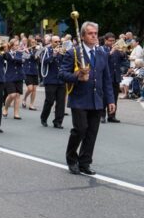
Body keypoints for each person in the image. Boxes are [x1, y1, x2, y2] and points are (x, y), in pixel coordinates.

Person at [59, 21, 115, 175]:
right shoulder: (74, 53)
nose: (94, 36)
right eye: (90, 33)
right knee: (80, 129)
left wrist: (110, 100)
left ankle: (85, 162)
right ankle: (71, 159)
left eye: (96, 33)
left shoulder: (102, 53)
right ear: (82, 36)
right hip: (79, 99)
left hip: (97, 99)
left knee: (92, 132)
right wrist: (77, 76)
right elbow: (62, 74)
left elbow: (106, 79)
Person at [40, 36, 66, 129]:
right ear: (51, 42)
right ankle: (43, 118)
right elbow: (43, 62)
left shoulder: (62, 50)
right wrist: (53, 55)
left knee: (61, 102)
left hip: (61, 80)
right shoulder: (46, 50)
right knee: (49, 101)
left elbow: (66, 63)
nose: (58, 43)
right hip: (50, 79)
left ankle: (58, 121)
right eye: (56, 41)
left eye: (59, 41)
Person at [101, 33, 126, 123]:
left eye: (113, 41)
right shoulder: (102, 49)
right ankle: (102, 115)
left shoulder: (117, 49)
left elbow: (123, 59)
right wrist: (111, 51)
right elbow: (102, 60)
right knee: (104, 97)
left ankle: (112, 116)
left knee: (114, 97)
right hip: (106, 77)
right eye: (110, 41)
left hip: (116, 77)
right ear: (105, 40)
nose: (112, 42)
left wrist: (122, 52)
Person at [2, 39, 25, 119]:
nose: (17, 46)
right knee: (12, 95)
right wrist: (2, 45)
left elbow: (22, 60)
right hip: (9, 76)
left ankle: (16, 113)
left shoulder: (20, 53)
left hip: (19, 76)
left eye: (18, 45)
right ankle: (5, 108)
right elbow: (4, 55)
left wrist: (15, 57)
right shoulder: (7, 53)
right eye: (16, 45)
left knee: (18, 95)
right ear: (11, 46)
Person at [22, 38, 39, 110]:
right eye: (32, 42)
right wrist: (27, 51)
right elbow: (26, 57)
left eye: (34, 42)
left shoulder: (37, 50)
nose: (34, 43)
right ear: (29, 43)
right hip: (27, 71)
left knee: (34, 89)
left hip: (34, 71)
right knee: (30, 88)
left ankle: (31, 104)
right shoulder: (26, 50)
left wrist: (38, 51)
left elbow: (37, 59)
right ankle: (24, 98)